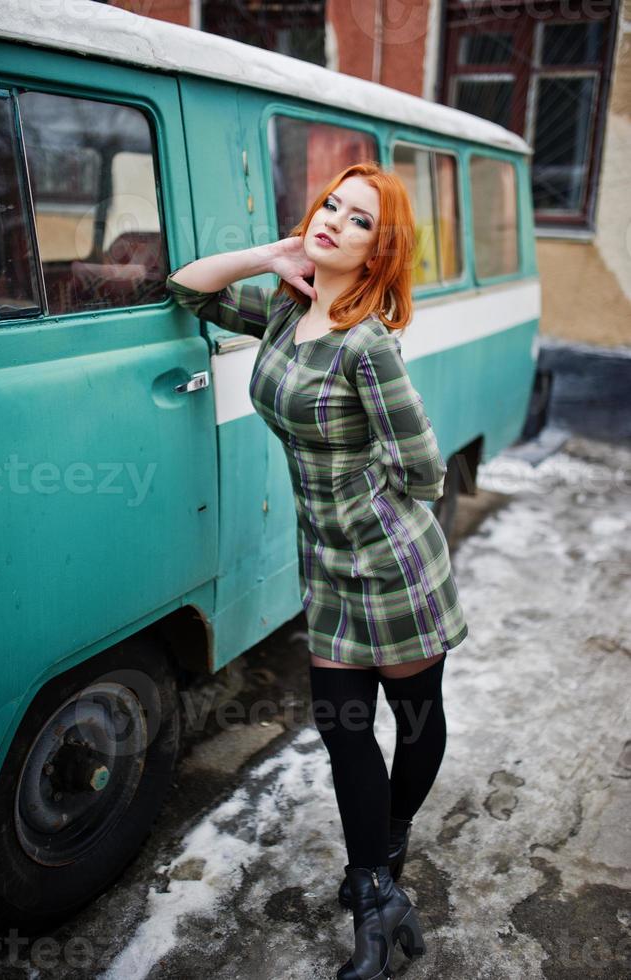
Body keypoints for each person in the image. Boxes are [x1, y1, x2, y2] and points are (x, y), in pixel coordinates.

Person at [166, 161, 468, 979]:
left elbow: (426, 470)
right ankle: (378, 889)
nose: (333, 220)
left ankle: (383, 854)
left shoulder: (366, 345)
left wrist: (362, 503)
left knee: (412, 720)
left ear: (380, 251)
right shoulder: (280, 309)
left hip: (391, 564)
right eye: (331, 204)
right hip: (327, 565)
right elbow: (187, 289)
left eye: (358, 219)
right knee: (342, 734)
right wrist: (273, 253)